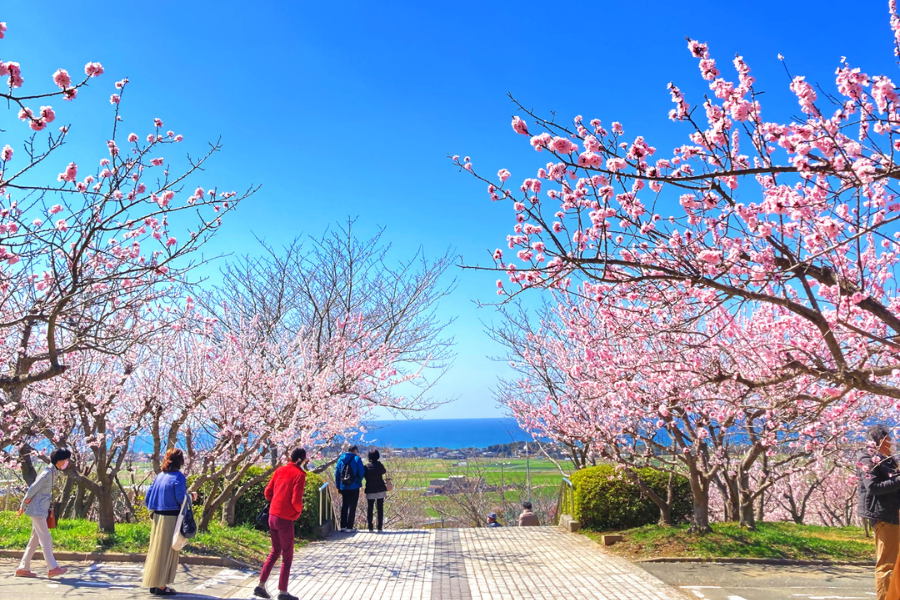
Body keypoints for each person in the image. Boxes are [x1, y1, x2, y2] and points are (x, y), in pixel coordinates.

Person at [253, 448, 307, 600]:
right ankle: (283, 592)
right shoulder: (299, 475)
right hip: (284, 519)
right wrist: (297, 512)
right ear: (300, 460)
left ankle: (261, 585)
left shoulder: (279, 470)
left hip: (272, 516)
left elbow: (267, 493)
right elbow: (296, 500)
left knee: (275, 551)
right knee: (287, 556)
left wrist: (277, 501)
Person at [858, 424, 900, 600]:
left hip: (894, 514)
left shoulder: (887, 459)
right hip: (883, 515)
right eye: (889, 441)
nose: (893, 444)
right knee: (887, 564)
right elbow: (873, 487)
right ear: (879, 441)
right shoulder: (867, 458)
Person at [143, 448, 192, 596]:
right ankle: (162, 586)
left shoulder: (159, 476)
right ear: (180, 461)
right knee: (168, 551)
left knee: (156, 549)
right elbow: (180, 498)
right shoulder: (178, 476)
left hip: (157, 516)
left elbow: (148, 496)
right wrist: (190, 497)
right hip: (171, 518)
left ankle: (154, 582)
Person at [15, 448, 71, 579]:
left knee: (34, 540)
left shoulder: (52, 472)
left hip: (41, 509)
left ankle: (23, 568)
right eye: (66, 460)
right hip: (37, 510)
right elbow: (32, 489)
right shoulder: (47, 473)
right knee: (46, 538)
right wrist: (23, 505)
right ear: (60, 461)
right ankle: (52, 568)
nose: (67, 462)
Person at [334, 445, 364, 532]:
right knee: (352, 506)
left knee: (344, 505)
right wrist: (358, 481)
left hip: (344, 486)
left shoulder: (341, 459)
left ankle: (343, 526)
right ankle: (350, 527)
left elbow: (336, 473)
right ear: (354, 450)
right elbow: (361, 471)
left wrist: (338, 485)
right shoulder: (357, 459)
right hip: (354, 486)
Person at [364, 449, 387, 532]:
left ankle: (370, 526)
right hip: (380, 489)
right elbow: (384, 471)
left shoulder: (366, 467)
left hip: (370, 489)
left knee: (370, 508)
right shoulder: (380, 466)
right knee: (380, 508)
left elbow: (364, 475)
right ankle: (379, 526)